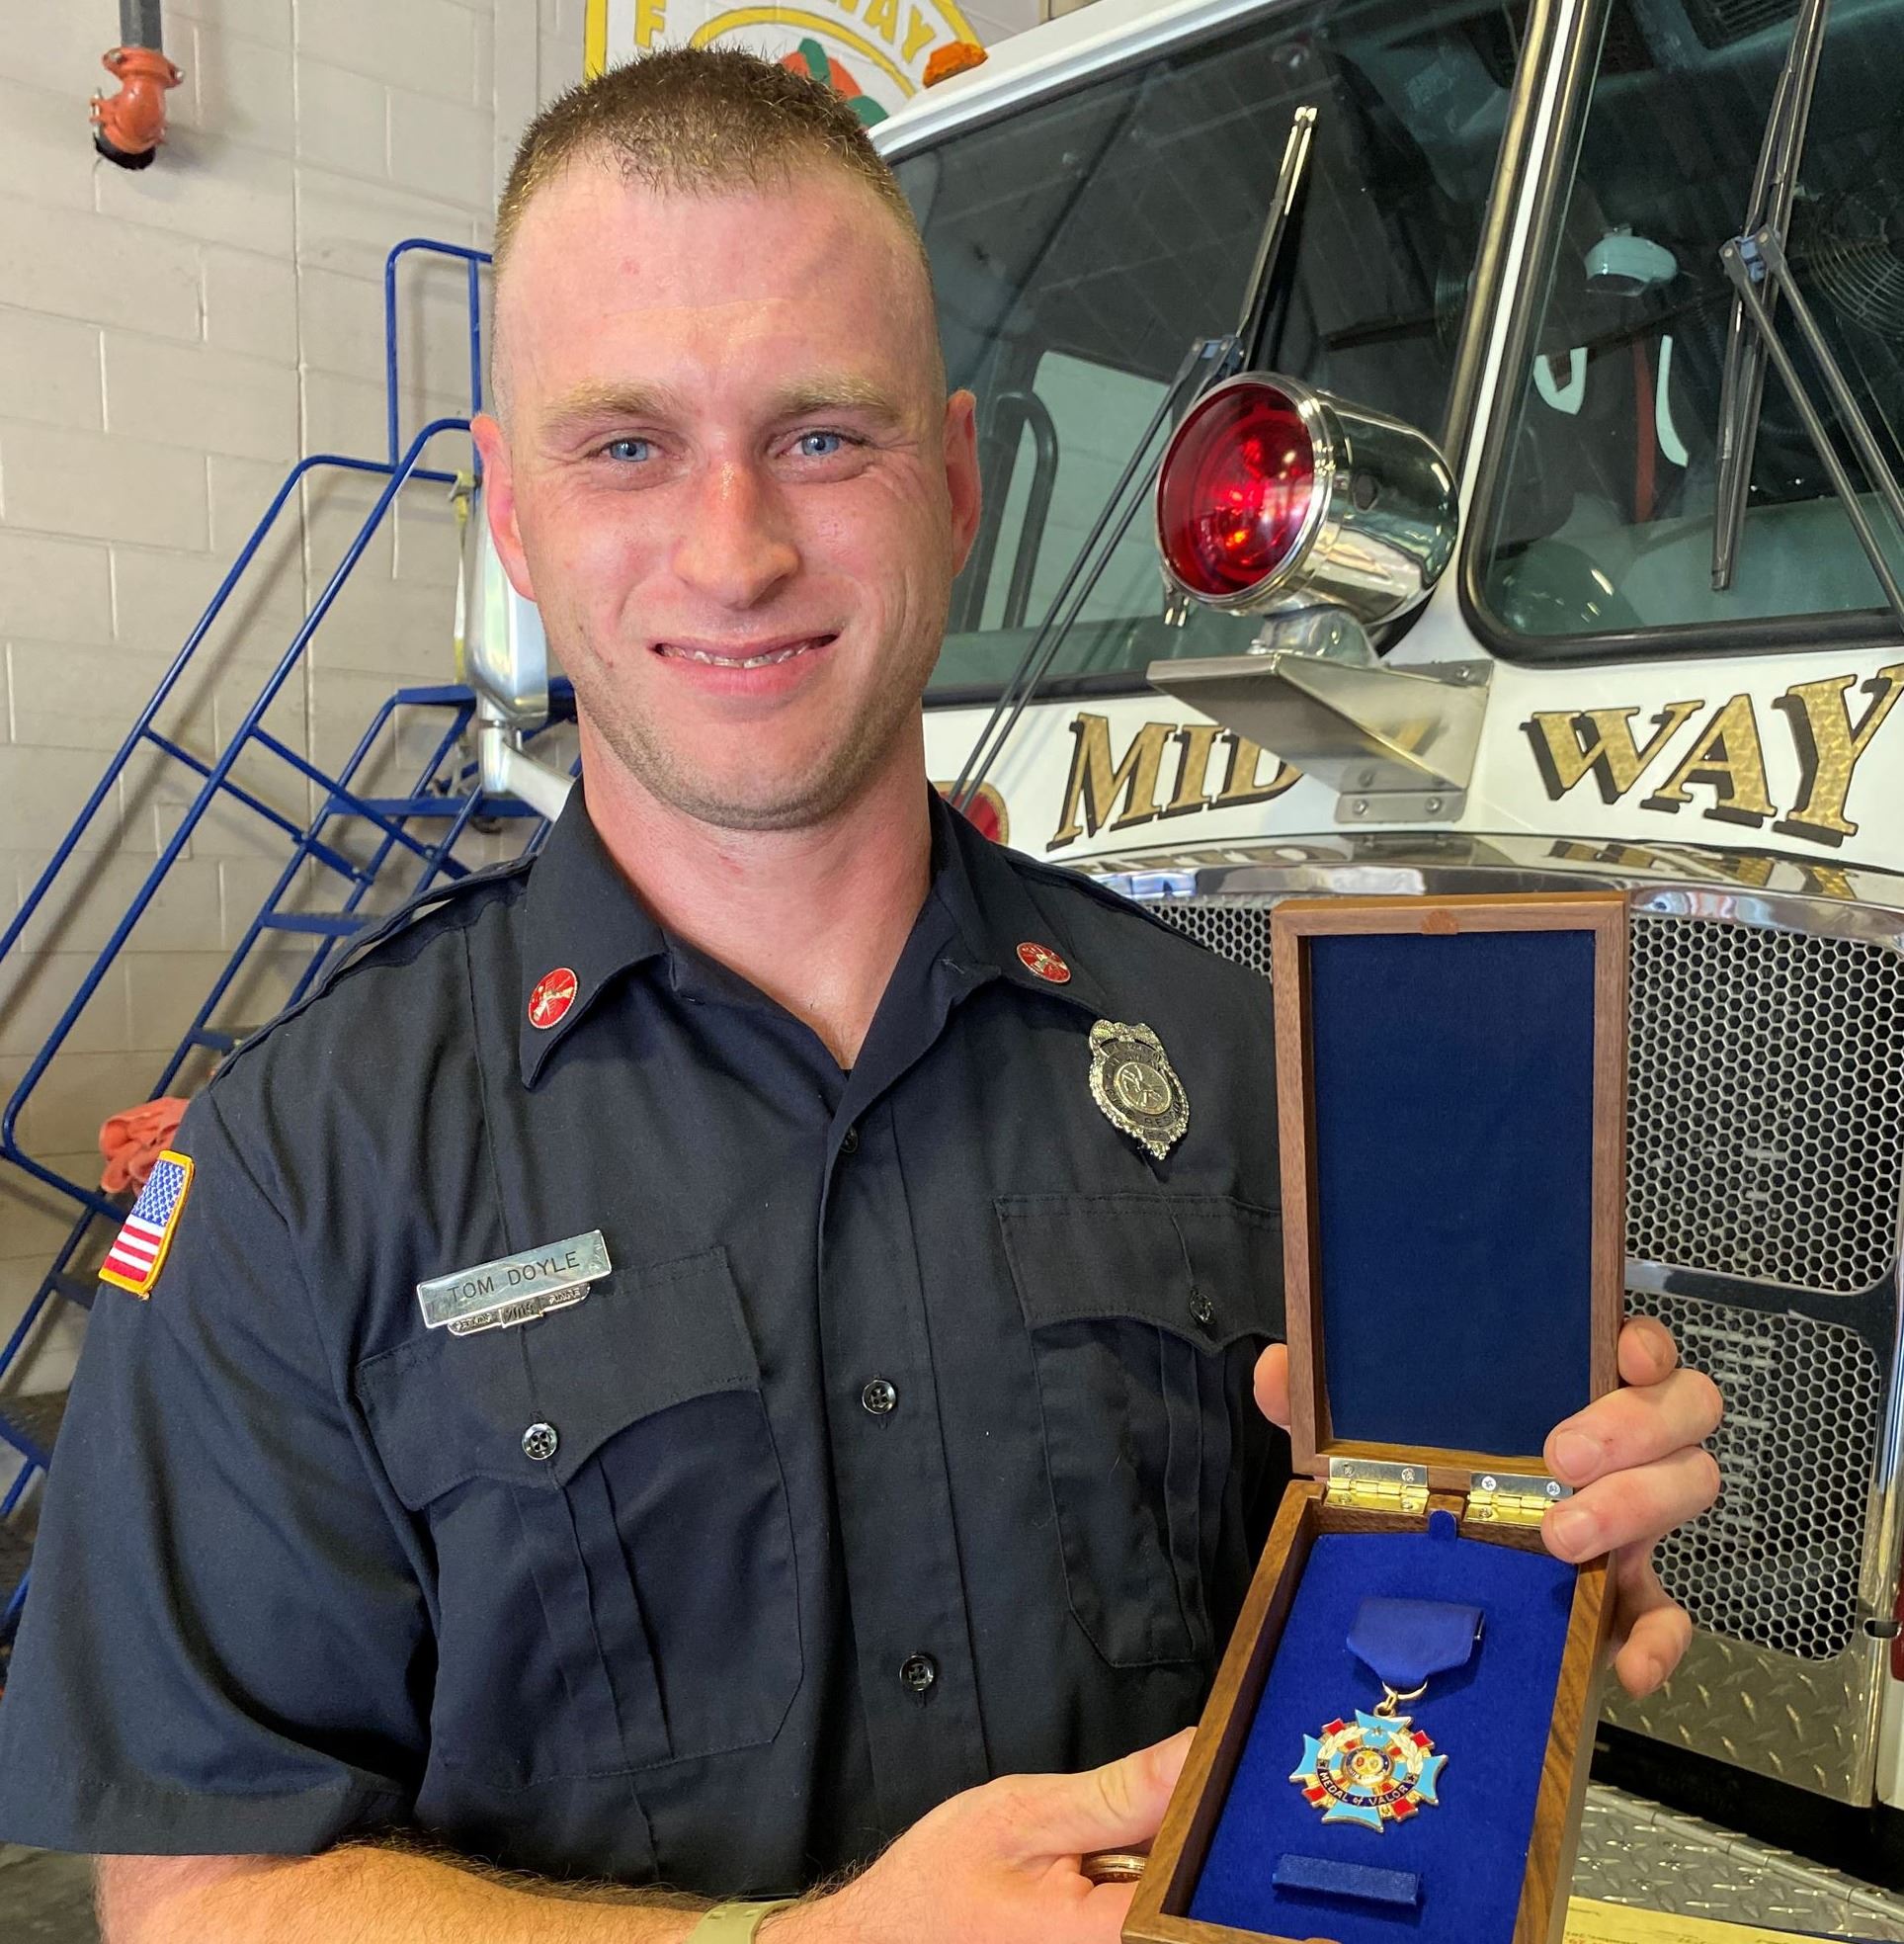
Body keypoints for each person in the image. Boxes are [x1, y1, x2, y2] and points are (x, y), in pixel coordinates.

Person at [0, 48, 1722, 1944]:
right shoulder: (295, 1179)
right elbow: (195, 1897)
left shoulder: (1235, 1075)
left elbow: (1370, 1651)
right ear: (506, 510)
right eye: (627, 445)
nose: (734, 549)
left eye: (826, 436)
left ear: (960, 481)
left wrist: (1526, 1560)